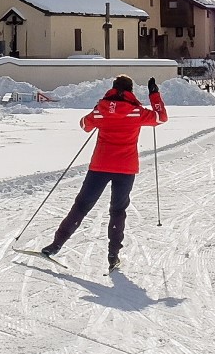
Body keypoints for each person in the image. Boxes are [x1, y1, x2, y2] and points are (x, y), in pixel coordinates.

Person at [40, 75, 167, 272]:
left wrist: (96, 110)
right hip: (125, 168)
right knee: (117, 211)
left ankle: (56, 245)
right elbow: (161, 118)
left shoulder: (102, 109)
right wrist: (154, 95)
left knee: (81, 206)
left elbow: (84, 125)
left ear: (113, 88)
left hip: (100, 166)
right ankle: (113, 255)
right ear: (130, 91)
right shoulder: (136, 112)